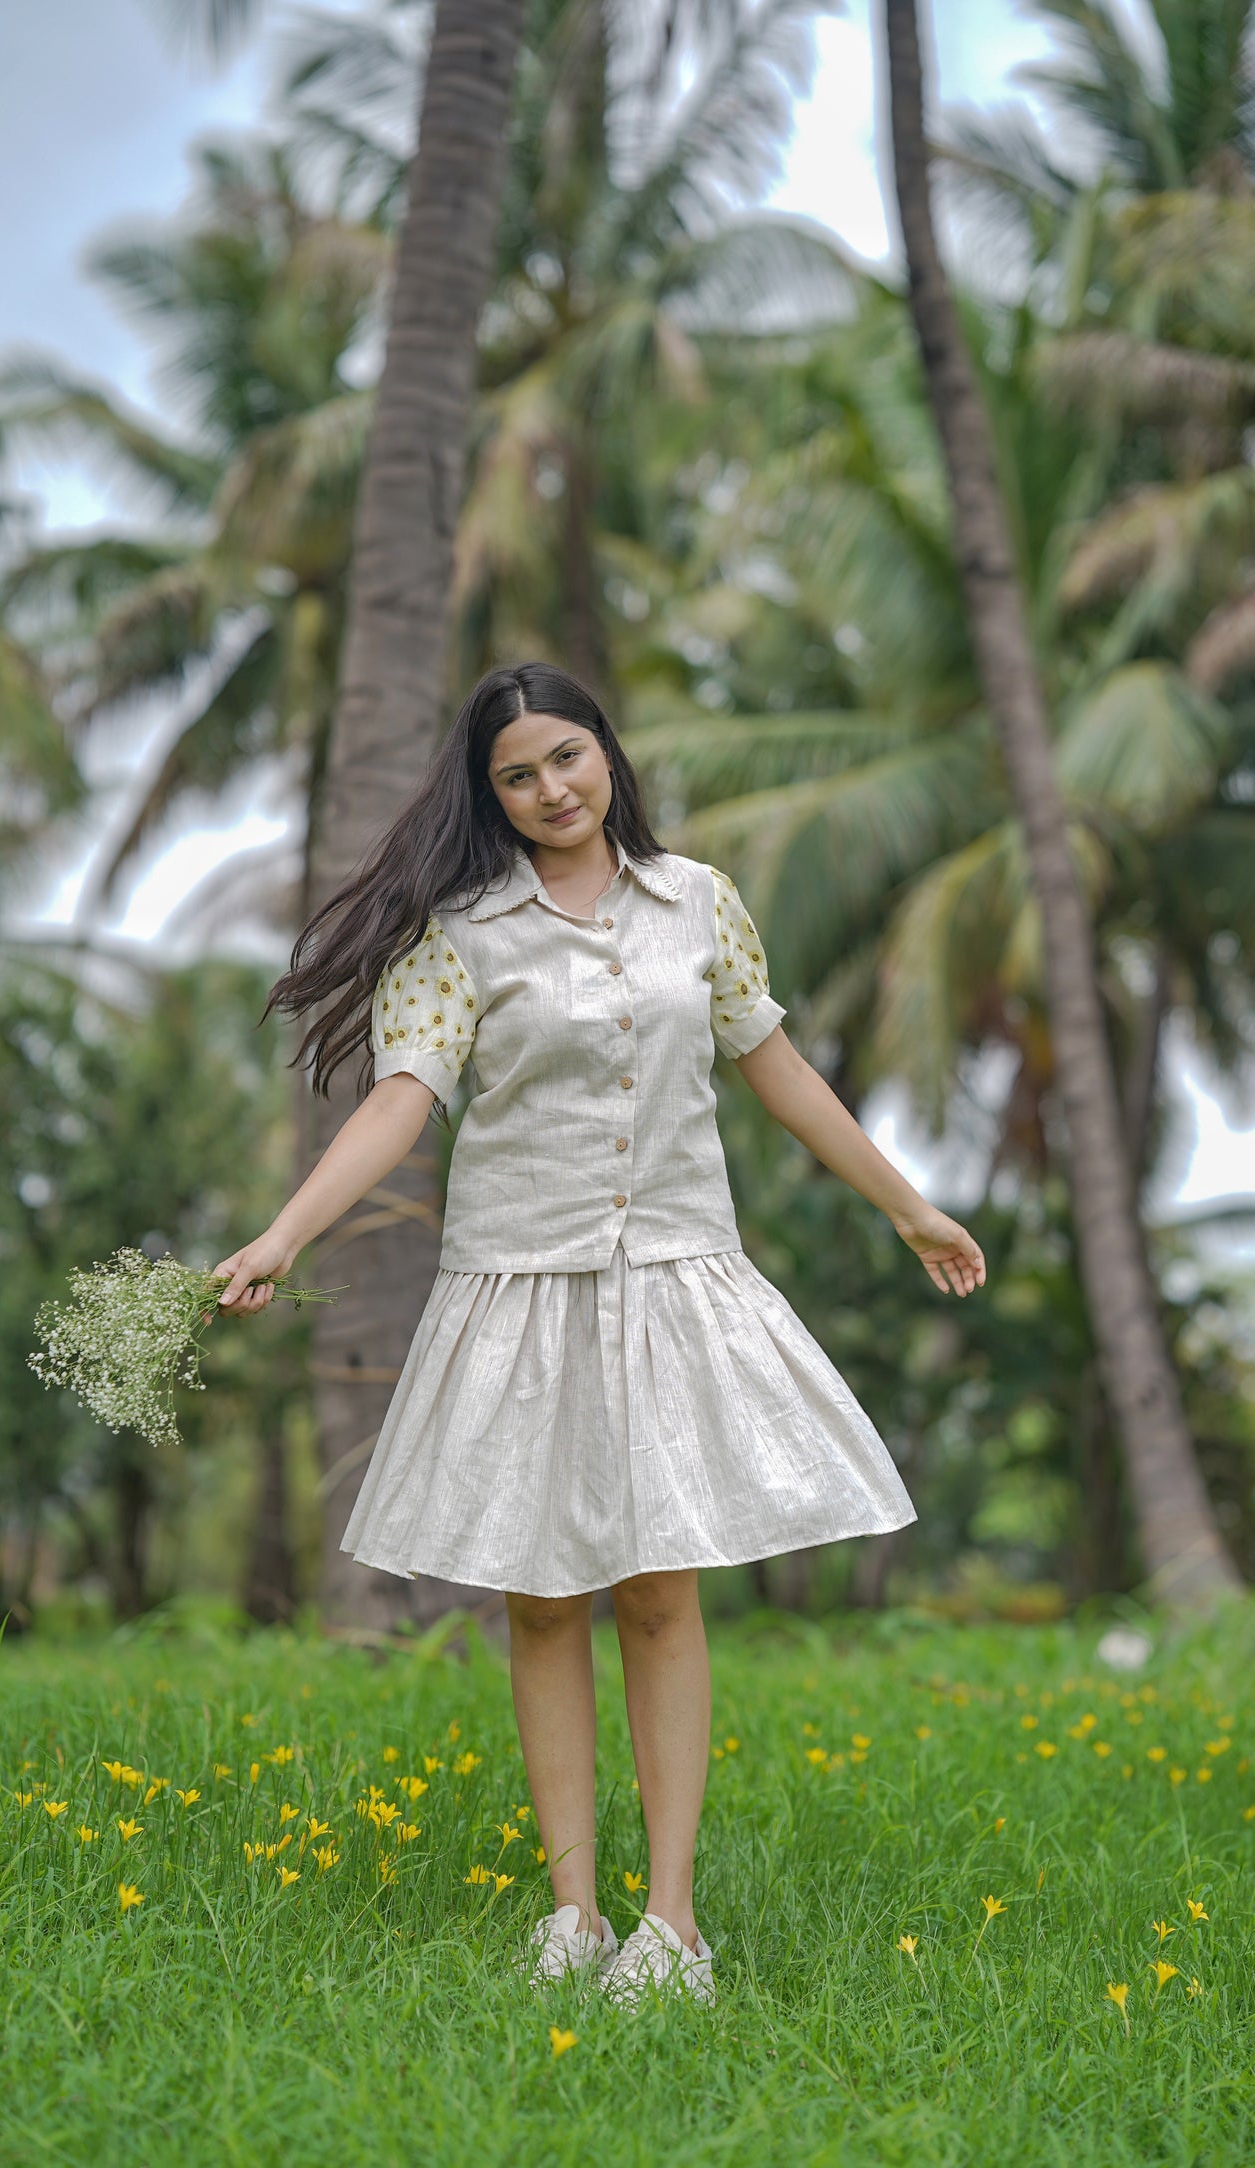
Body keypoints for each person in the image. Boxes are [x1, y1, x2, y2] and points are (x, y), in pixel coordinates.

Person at [209, 662, 985, 2009]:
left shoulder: (698, 902)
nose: (550, 789)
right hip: (519, 1285)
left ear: (606, 754)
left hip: (671, 1276)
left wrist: (909, 1208)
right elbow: (400, 1100)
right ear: (491, 796)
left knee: (661, 1591)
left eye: (566, 756)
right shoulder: (461, 934)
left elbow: (776, 1068)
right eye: (516, 775)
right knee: (543, 1596)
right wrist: (285, 1234)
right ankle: (571, 1914)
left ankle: (669, 1924)